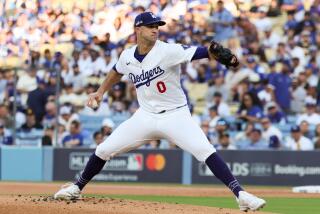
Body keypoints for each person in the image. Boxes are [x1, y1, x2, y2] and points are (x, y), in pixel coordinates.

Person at [54, 11, 265, 211]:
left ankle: (241, 195)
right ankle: (76, 188)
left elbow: (201, 51)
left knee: (205, 150)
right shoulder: (127, 56)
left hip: (175, 115)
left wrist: (214, 53)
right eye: (150, 26)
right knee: (104, 149)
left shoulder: (168, 50)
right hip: (145, 117)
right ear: (138, 29)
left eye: (157, 26)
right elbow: (116, 72)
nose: (155, 29)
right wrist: (100, 92)